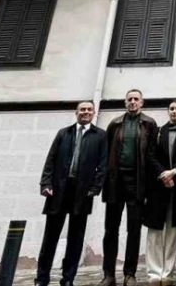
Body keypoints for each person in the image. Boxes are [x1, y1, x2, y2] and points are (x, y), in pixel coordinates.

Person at [36, 101, 107, 286]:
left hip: (82, 193)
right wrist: (45, 183)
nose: (86, 112)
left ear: (93, 113)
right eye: (82, 109)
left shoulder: (100, 135)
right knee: (50, 237)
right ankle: (42, 278)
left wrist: (95, 188)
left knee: (76, 239)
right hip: (58, 190)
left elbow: (103, 164)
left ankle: (68, 278)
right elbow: (50, 159)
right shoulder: (63, 133)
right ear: (76, 112)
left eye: (89, 110)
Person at [99, 90, 158, 286]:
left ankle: (129, 274)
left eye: (136, 99)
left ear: (142, 102)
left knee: (133, 230)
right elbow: (106, 155)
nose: (132, 102)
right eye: (129, 99)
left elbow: (151, 157)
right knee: (111, 230)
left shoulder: (149, 124)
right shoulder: (114, 124)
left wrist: (149, 188)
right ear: (125, 102)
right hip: (116, 181)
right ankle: (108, 274)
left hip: (137, 182)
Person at [146, 101, 176, 286]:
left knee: (173, 232)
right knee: (155, 231)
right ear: (168, 112)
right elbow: (150, 155)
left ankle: (167, 273)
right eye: (172, 109)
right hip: (158, 187)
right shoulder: (158, 132)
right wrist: (163, 174)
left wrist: (174, 172)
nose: (174, 112)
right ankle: (153, 273)